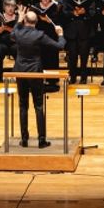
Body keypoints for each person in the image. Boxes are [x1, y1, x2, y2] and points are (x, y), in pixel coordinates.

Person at [12, 10, 65, 147]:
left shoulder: (18, 32)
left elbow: (12, 33)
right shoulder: (39, 35)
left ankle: (24, 139)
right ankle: (41, 140)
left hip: (20, 72)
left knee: (23, 105)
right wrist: (60, 34)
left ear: (25, 21)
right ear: (36, 22)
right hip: (35, 72)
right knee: (39, 105)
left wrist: (19, 20)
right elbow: (60, 46)